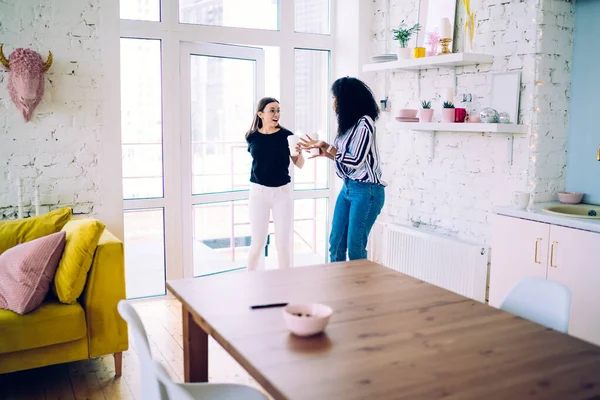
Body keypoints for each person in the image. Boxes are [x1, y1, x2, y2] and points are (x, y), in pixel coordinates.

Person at [299, 77, 385, 262]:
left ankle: (358, 289)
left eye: (335, 97)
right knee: (336, 242)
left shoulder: (365, 123)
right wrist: (326, 152)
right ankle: (338, 286)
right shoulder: (348, 125)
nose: (333, 103)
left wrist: (327, 146)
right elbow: (344, 157)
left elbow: (355, 161)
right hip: (348, 188)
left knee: (355, 247)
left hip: (367, 191)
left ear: (347, 99)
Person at [246, 97, 304, 270]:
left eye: (278, 110)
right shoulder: (252, 136)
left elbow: (299, 164)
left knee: (283, 245)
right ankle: (249, 280)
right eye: (272, 110)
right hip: (258, 193)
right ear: (260, 114)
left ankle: (285, 285)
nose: (276, 114)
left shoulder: (287, 136)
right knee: (258, 243)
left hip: (282, 194)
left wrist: (299, 153)